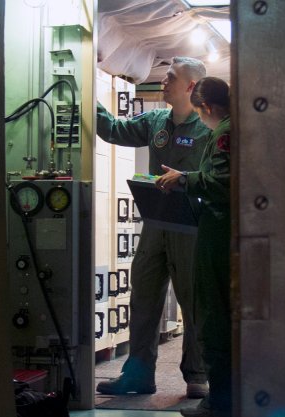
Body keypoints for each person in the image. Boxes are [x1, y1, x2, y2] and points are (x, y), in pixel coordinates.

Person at [95, 57, 211, 399]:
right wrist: (88, 97)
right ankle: (139, 375)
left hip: (190, 226)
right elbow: (115, 130)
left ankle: (197, 375)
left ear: (190, 86)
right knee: (143, 297)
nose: (163, 81)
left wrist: (186, 179)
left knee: (193, 303)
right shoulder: (156, 121)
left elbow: (220, 176)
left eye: (171, 77)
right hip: (155, 222)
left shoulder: (208, 129)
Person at [156, 76, 232, 417]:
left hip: (218, 234)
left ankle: (220, 401)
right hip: (223, 231)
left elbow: (221, 182)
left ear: (207, 108)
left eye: (201, 113)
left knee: (212, 312)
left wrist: (183, 179)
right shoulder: (233, 128)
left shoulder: (223, 133)